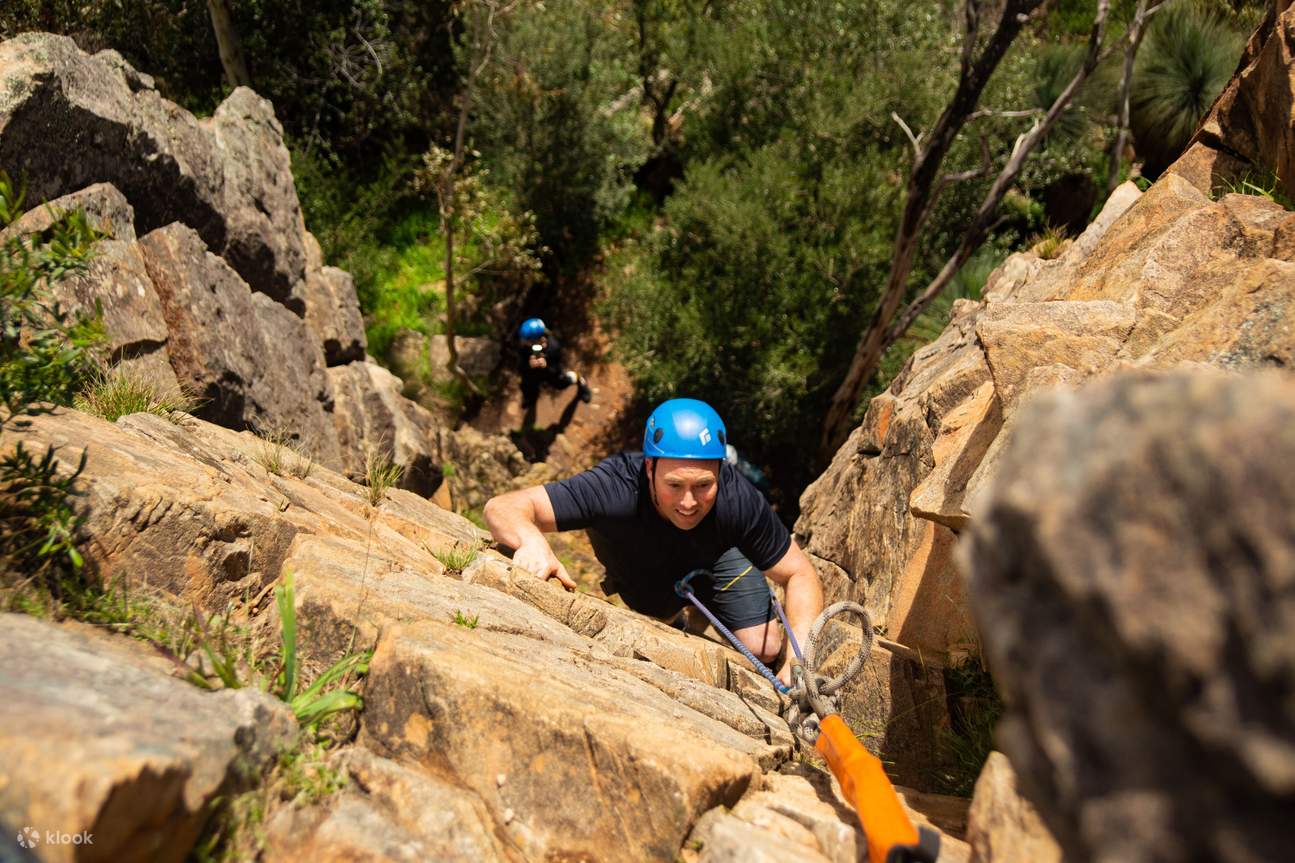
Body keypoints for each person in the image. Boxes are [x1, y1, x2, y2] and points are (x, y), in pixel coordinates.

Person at [483, 397, 824, 686]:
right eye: (674, 485)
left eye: (703, 485)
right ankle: (683, 615)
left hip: (716, 560)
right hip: (642, 569)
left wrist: (798, 662)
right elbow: (503, 507)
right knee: (661, 628)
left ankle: (705, 604)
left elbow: (800, 574)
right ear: (649, 468)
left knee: (764, 648)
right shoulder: (613, 487)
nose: (689, 502)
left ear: (720, 472)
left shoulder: (737, 499)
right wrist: (533, 542)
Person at [515, 317, 592, 410]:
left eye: (527, 341)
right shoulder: (525, 347)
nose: (523, 342)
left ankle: (578, 379)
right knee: (528, 385)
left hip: (549, 372)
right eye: (523, 340)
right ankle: (530, 398)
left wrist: (546, 366)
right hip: (532, 373)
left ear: (539, 339)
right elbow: (520, 367)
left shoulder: (553, 348)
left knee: (560, 384)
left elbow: (556, 370)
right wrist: (529, 365)